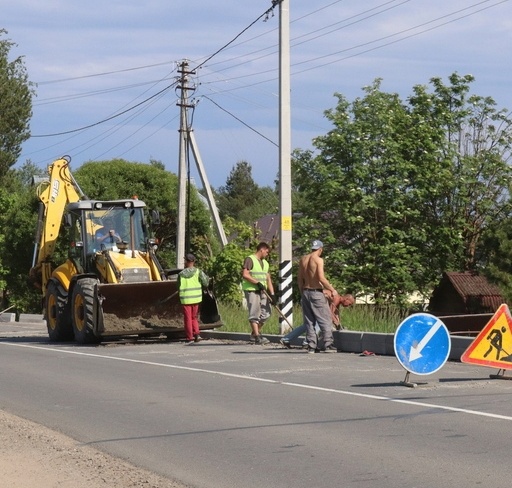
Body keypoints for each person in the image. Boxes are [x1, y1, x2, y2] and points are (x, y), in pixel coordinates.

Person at [298, 239, 339, 354]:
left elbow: (299, 279)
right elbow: (321, 278)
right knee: (325, 319)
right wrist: (332, 289)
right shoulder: (318, 260)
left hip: (305, 291)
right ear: (320, 249)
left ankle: (311, 346)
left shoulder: (303, 259)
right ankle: (328, 344)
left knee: (309, 320)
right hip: (316, 292)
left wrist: (302, 292)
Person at [280, 292, 354, 348]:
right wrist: (337, 324)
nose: (348, 306)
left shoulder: (337, 301)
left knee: (307, 324)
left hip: (308, 298)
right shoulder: (336, 298)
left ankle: (286, 339)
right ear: (346, 299)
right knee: (319, 322)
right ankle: (308, 342)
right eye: (349, 304)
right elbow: (330, 314)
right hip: (312, 299)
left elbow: (336, 314)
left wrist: (338, 323)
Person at [242, 241, 275, 345]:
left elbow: (268, 278)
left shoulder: (265, 263)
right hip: (252, 290)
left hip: (263, 291)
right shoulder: (250, 259)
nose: (267, 254)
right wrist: (257, 282)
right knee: (254, 313)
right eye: (266, 252)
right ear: (262, 249)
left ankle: (254, 332)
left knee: (267, 313)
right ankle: (257, 336)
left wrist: (273, 294)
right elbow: (245, 274)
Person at [178, 253, 210, 343]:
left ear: (186, 262)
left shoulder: (181, 274)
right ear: (194, 261)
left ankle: (189, 337)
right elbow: (205, 283)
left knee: (187, 318)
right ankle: (196, 333)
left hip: (185, 299)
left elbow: (178, 286)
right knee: (194, 317)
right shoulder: (198, 272)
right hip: (196, 298)